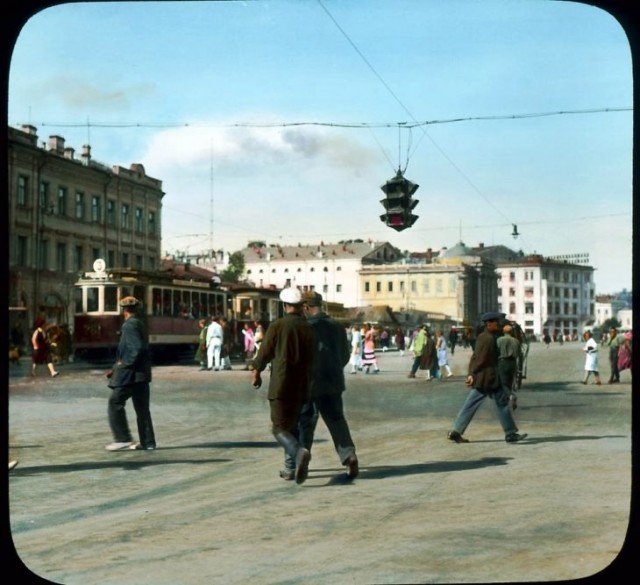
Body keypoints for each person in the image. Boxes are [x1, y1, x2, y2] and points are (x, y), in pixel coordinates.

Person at [280, 291, 358, 481]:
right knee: (337, 420)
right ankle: (349, 457)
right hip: (334, 382)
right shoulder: (338, 326)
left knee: (302, 424)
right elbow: (345, 356)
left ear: (306, 307)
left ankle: (296, 465)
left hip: (309, 383)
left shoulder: (305, 327)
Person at [251, 287, 316, 485]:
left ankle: (298, 452)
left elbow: (265, 351)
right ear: (301, 306)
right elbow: (313, 358)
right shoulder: (308, 328)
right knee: (293, 426)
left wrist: (256, 371)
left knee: (279, 428)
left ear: (285, 305)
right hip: (302, 386)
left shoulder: (278, 325)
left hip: (281, 384)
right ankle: (290, 468)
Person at [447, 312, 527, 444]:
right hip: (488, 378)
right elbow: (480, 359)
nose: (499, 324)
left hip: (487, 378)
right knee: (499, 404)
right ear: (489, 324)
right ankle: (510, 433)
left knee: (474, 404)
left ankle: (456, 432)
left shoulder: (488, 336)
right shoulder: (487, 338)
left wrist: (471, 373)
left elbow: (475, 357)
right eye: (497, 322)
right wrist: (472, 373)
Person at [105, 296, 156, 451]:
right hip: (141, 374)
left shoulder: (129, 325)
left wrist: (122, 365)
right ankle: (148, 443)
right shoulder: (140, 323)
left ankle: (122, 438)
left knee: (115, 403)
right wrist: (115, 369)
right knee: (142, 408)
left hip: (130, 375)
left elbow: (135, 349)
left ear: (124, 310)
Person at [497, 324, 521, 410]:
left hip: (503, 362)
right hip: (513, 363)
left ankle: (511, 396)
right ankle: (507, 400)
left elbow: (496, 351)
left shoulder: (499, 340)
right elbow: (519, 353)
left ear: (503, 332)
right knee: (509, 383)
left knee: (503, 383)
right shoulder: (516, 341)